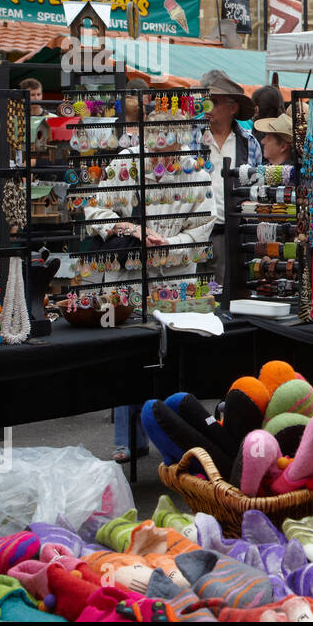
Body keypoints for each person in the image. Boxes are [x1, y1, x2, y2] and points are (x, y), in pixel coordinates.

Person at [83, 112, 216, 461]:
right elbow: (96, 212)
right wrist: (131, 230)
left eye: (168, 150)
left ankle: (180, 439)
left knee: (175, 358)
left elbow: (203, 229)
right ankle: (129, 439)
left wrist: (169, 246)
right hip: (127, 277)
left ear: (180, 142)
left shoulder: (196, 172)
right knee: (129, 355)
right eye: (154, 149)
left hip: (174, 279)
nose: (160, 159)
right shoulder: (127, 163)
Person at [200, 69, 260, 285]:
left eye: (214, 102)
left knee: (223, 295)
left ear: (232, 108)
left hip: (229, 233)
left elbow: (255, 187)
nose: (207, 107)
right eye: (206, 101)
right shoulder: (192, 135)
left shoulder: (248, 143)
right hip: (193, 233)